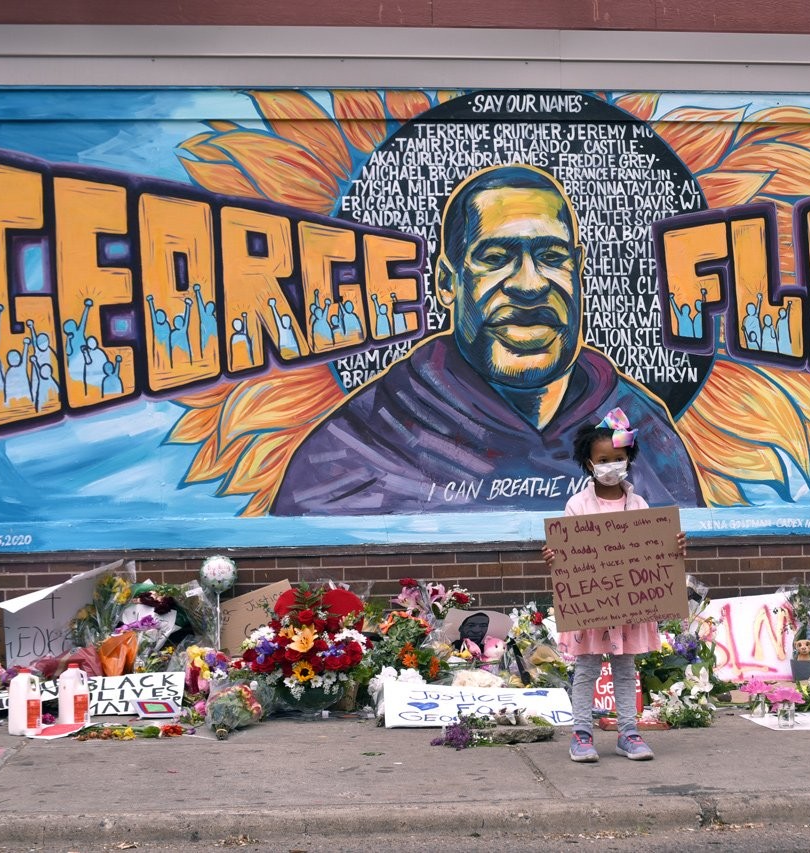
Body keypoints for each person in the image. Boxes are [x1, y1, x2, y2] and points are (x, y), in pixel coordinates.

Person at [271, 163, 701, 515]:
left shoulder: (638, 426)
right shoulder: (360, 444)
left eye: (552, 257)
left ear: (579, 268)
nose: (530, 285)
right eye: (495, 258)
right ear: (446, 282)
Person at [541, 408, 687, 764]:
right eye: (603, 459)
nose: (611, 465)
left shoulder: (638, 504)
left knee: (626, 670)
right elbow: (569, 551)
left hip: (630, 609)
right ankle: (581, 734)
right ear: (589, 464)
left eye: (618, 459)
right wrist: (555, 555)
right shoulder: (577, 505)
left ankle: (629, 733)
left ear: (628, 460)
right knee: (586, 670)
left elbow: (652, 551)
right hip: (593, 608)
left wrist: (673, 546)